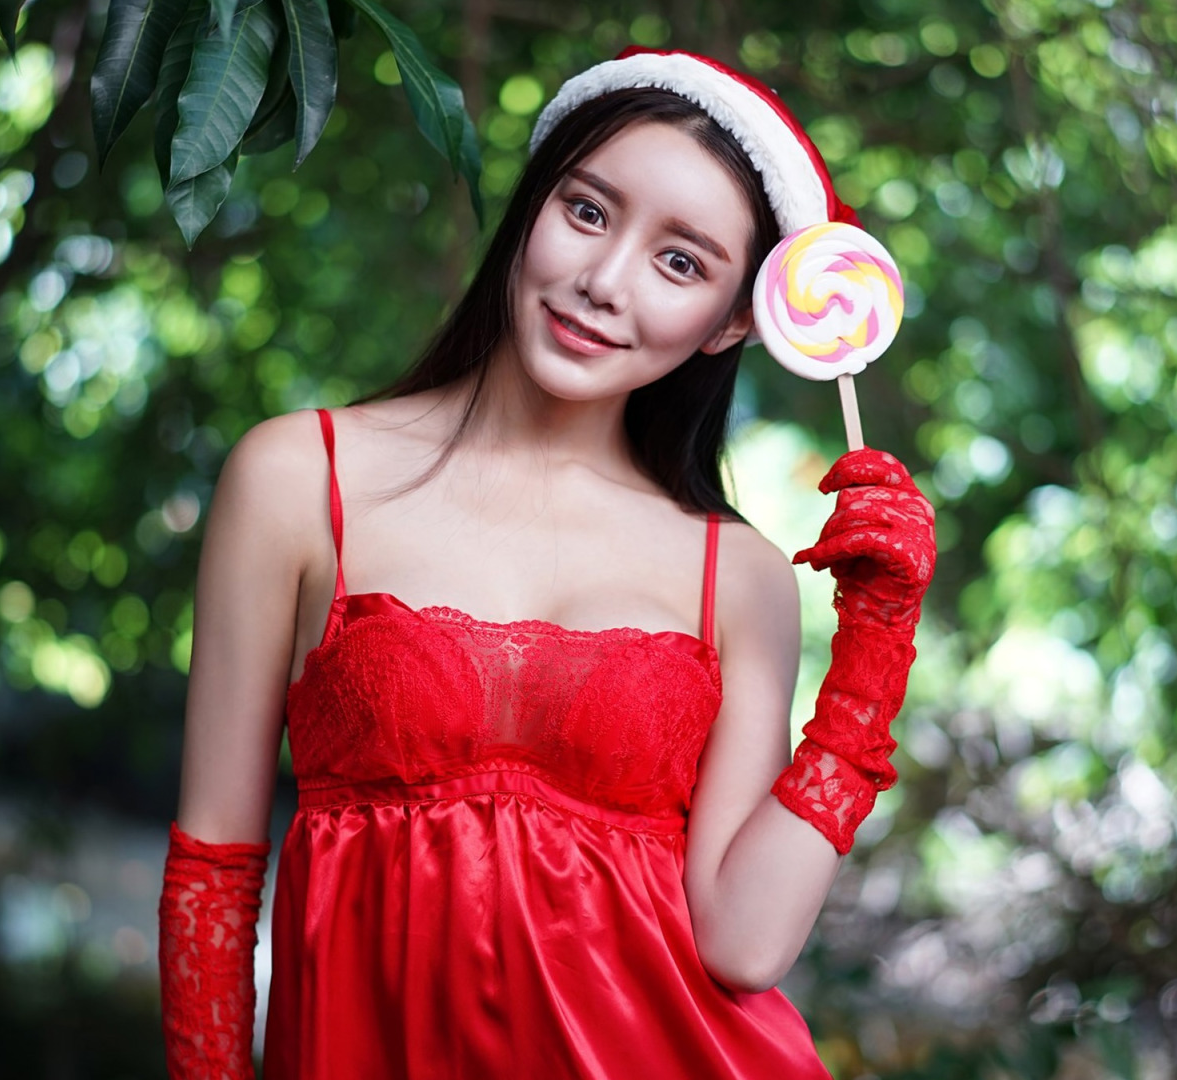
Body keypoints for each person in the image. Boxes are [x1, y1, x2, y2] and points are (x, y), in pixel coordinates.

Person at [155, 46, 936, 1078]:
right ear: (533, 209)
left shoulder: (736, 574)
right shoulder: (300, 477)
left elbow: (744, 944)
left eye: (681, 262)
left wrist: (872, 659)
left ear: (734, 321)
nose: (603, 282)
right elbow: (214, 870)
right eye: (588, 211)